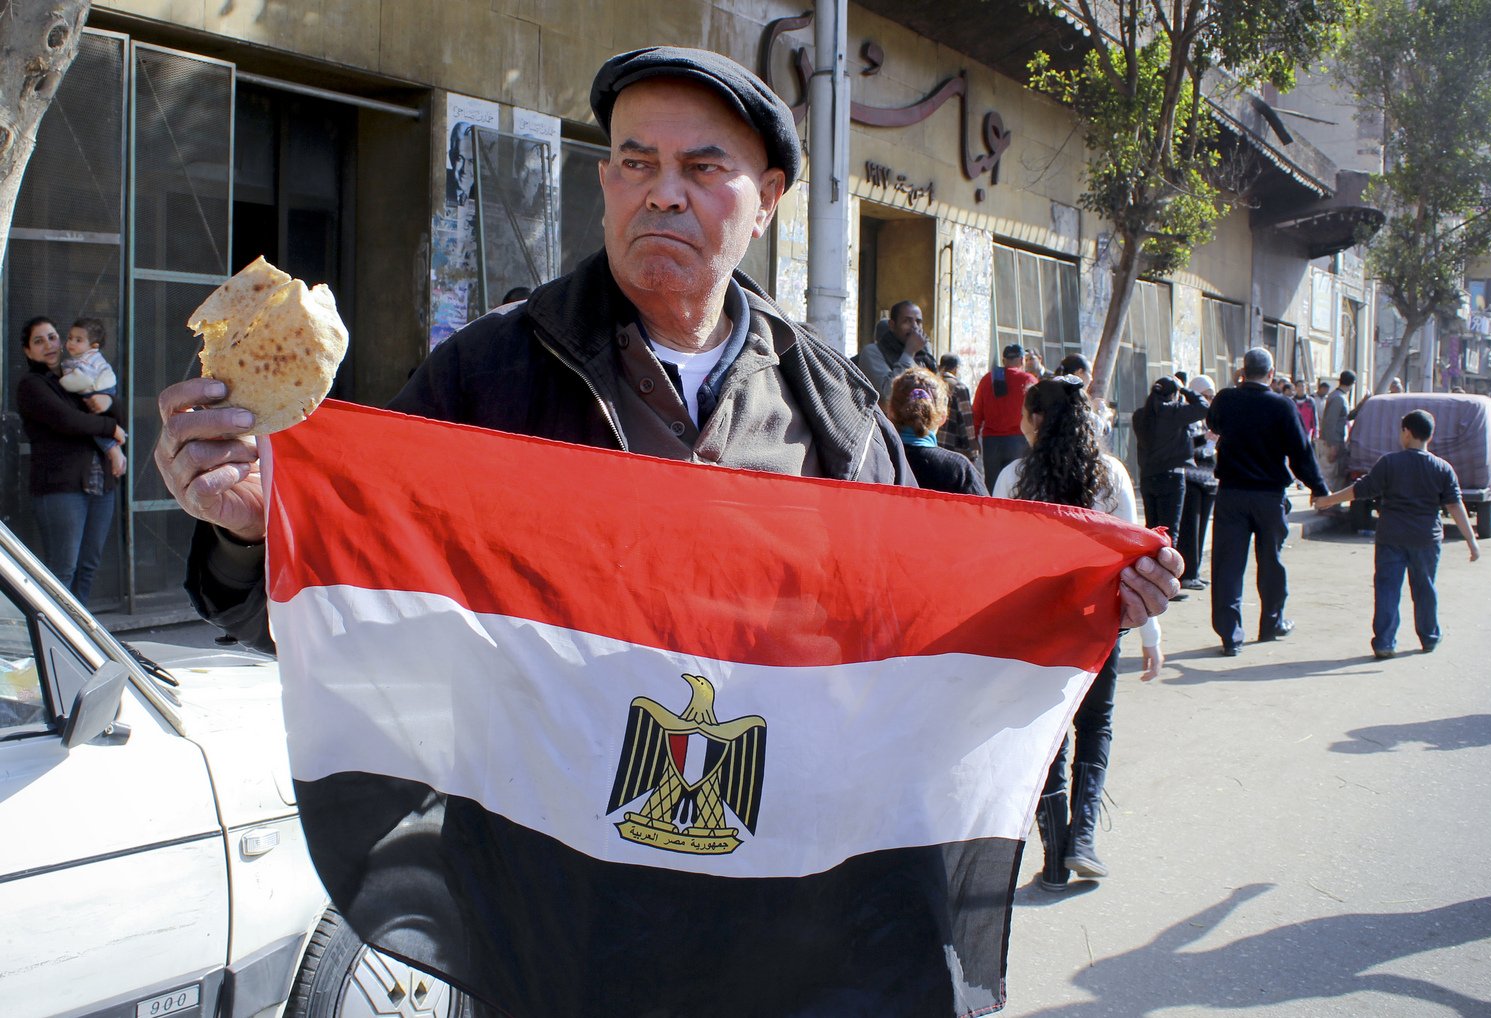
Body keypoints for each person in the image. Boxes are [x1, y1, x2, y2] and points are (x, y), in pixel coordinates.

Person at [152, 47, 1185, 999]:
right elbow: (352, 604)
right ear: (604, 181)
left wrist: (1075, 598)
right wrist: (253, 532)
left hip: (773, 920)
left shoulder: (829, 405)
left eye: (703, 167)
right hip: (556, 917)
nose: (663, 192)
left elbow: (899, 647)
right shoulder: (485, 378)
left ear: (769, 201)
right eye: (635, 162)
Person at [992, 375, 1162, 890]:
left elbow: (1000, 563)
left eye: (1025, 415)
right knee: (1096, 725)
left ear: (1036, 420)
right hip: (1099, 621)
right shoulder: (1110, 475)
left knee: (1047, 735)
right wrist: (1151, 634)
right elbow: (1135, 561)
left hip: (1037, 627)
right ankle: (1084, 839)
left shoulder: (1013, 478)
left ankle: (1056, 856)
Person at [1314, 410, 1479, 657]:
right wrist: (1472, 542)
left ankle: (1384, 642)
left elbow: (1361, 490)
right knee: (1425, 588)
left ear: (1407, 432)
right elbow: (1455, 506)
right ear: (1429, 436)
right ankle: (1429, 637)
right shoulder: (1443, 469)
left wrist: (1328, 500)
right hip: (1426, 540)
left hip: (1391, 537)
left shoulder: (1390, 463)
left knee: (1387, 589)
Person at [1206, 347, 1329, 655]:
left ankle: (1230, 636)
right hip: (1269, 497)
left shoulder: (1226, 399)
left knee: (1227, 566)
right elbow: (1301, 454)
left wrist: (1236, 388)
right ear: (1272, 375)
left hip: (1231, 494)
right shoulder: (1283, 406)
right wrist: (1319, 489)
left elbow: (1214, 424)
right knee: (1271, 562)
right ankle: (1271, 624)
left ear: (1242, 372)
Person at [16, 316, 127, 600]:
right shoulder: (32, 385)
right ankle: (55, 638)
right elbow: (67, 420)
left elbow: (119, 413)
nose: (49, 345)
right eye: (38, 341)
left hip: (100, 485)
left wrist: (110, 403)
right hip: (60, 489)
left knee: (88, 566)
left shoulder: (77, 376)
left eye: (52, 337)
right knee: (62, 569)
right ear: (28, 351)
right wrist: (110, 429)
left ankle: (82, 638)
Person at [1129, 376, 1209, 549]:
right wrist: (1185, 389)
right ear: (1173, 394)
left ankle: (1149, 570)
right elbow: (1204, 407)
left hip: (1148, 477)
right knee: (1169, 533)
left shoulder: (1140, 415)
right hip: (1171, 477)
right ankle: (1167, 572)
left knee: (1151, 530)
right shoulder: (1174, 412)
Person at [886, 368, 985, 495]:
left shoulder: (875, 462)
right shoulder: (959, 471)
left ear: (890, 412)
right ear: (943, 417)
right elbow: (988, 513)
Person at [57, 317, 125, 477]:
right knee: (100, 423)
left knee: (97, 426)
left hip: (97, 391)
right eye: (70, 338)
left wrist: (64, 382)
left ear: (93, 346)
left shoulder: (87, 359)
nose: (71, 343)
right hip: (102, 392)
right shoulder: (82, 358)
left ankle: (112, 450)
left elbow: (81, 380)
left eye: (78, 340)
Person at [972, 342, 1036, 491]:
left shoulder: (987, 380)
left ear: (1004, 361)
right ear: (1022, 360)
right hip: (1019, 441)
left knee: (993, 487)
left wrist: (974, 439)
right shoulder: (1028, 380)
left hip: (991, 443)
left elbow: (976, 412)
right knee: (1018, 486)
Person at [1176, 374, 1219, 591]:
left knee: (1201, 530)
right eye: (1205, 396)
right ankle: (1187, 573)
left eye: (1211, 396)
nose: (1209, 401)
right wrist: (1207, 439)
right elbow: (1188, 447)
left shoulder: (1206, 419)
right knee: (1190, 530)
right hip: (1192, 479)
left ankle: (1196, 571)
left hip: (1208, 480)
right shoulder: (1188, 417)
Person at [856, 300, 933, 403]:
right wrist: (909, 353)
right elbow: (887, 395)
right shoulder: (872, 352)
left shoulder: (922, 354)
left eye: (918, 322)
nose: (915, 327)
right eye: (907, 321)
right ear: (892, 325)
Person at [935, 352, 981, 467]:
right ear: (956, 369)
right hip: (952, 448)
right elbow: (967, 422)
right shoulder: (959, 388)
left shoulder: (931, 384)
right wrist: (972, 449)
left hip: (932, 444)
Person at [1319, 369, 1356, 488]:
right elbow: (1330, 422)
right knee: (1330, 474)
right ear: (1352, 383)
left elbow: (1347, 416)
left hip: (1337, 440)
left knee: (1336, 474)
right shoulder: (1338, 398)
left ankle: (1331, 504)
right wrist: (1332, 445)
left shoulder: (1339, 396)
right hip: (1333, 442)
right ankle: (1326, 505)